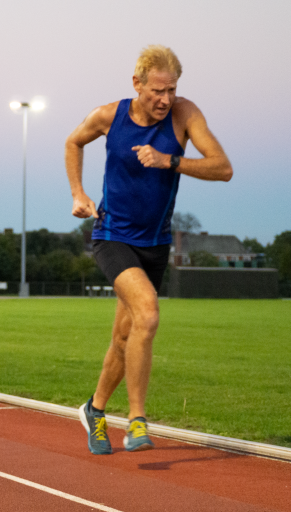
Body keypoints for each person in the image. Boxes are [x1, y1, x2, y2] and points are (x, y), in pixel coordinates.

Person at [65, 45, 232, 454]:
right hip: (112, 236)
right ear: (136, 84)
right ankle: (137, 421)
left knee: (126, 336)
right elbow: (74, 142)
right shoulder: (110, 115)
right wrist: (78, 194)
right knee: (148, 311)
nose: (165, 99)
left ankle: (94, 409)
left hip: (155, 243)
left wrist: (170, 160)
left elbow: (223, 168)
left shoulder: (185, 115)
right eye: (157, 91)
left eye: (172, 90)